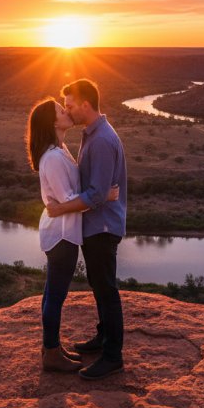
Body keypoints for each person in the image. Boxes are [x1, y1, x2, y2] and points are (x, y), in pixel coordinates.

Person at [26, 98, 119, 372]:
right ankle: (52, 354)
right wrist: (104, 196)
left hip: (65, 232)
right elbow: (66, 199)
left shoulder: (61, 149)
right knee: (55, 295)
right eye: (60, 110)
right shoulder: (53, 158)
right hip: (61, 235)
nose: (66, 112)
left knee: (52, 293)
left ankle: (51, 347)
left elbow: (65, 200)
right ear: (53, 122)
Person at [46, 79, 128, 380]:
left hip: (102, 227)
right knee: (99, 286)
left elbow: (95, 194)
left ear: (84, 104)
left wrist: (60, 208)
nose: (67, 111)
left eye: (69, 105)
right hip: (95, 225)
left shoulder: (103, 140)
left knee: (107, 291)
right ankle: (103, 338)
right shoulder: (91, 135)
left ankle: (112, 356)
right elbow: (95, 188)